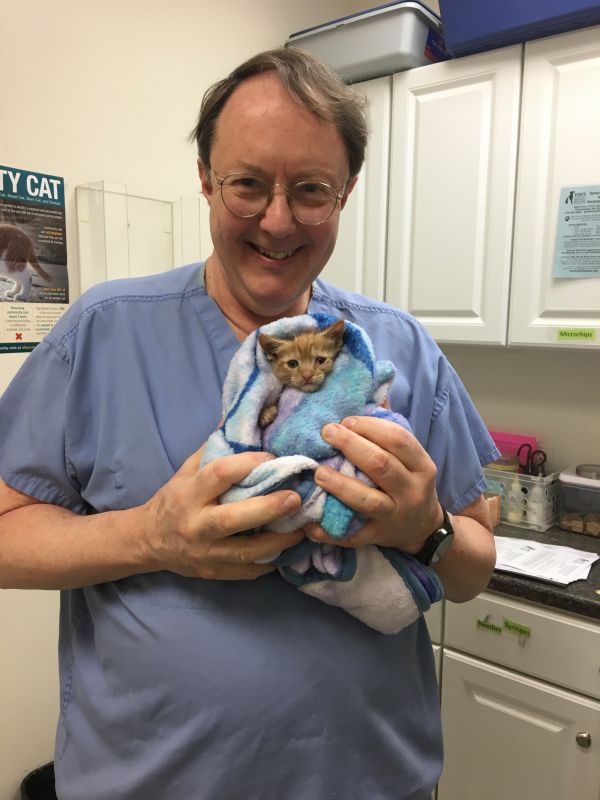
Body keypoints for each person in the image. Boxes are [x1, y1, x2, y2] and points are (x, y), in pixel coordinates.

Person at [0, 48, 498, 800]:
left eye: (311, 190)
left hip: (372, 782)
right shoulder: (104, 333)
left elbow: (475, 564)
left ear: (346, 192)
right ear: (206, 178)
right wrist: (149, 537)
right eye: (247, 184)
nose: (278, 220)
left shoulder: (399, 349)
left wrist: (424, 529)